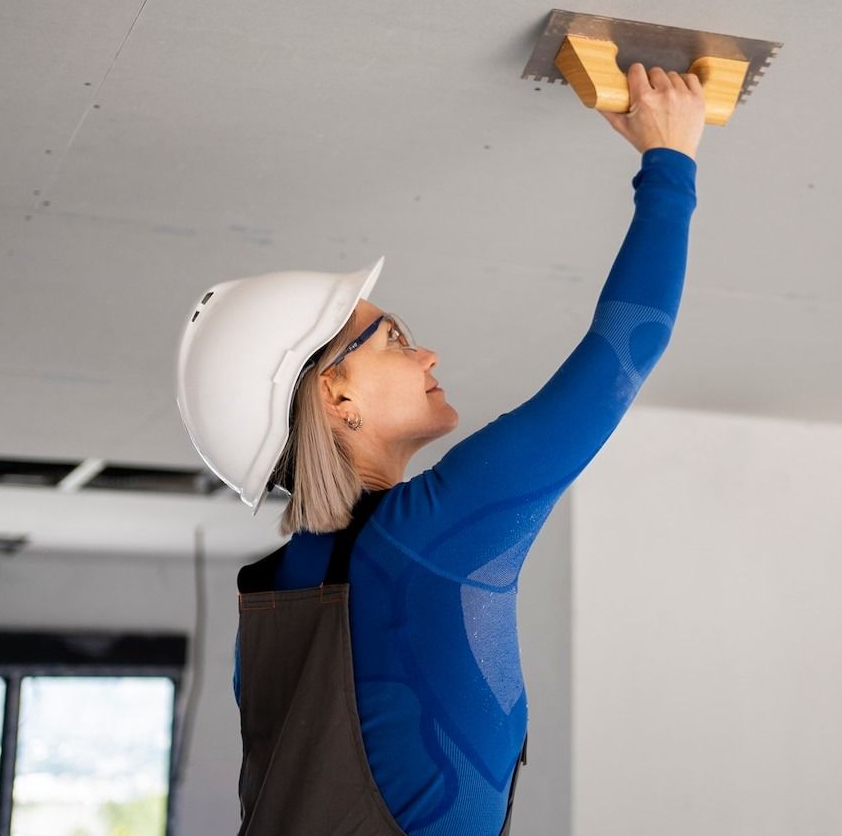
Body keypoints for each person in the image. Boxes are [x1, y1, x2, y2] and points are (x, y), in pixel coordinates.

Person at [175, 63, 706, 835]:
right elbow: (621, 353)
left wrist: (672, 163)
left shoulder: (275, 599)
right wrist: (670, 160)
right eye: (393, 339)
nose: (425, 357)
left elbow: (624, 355)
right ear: (336, 397)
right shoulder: (421, 540)